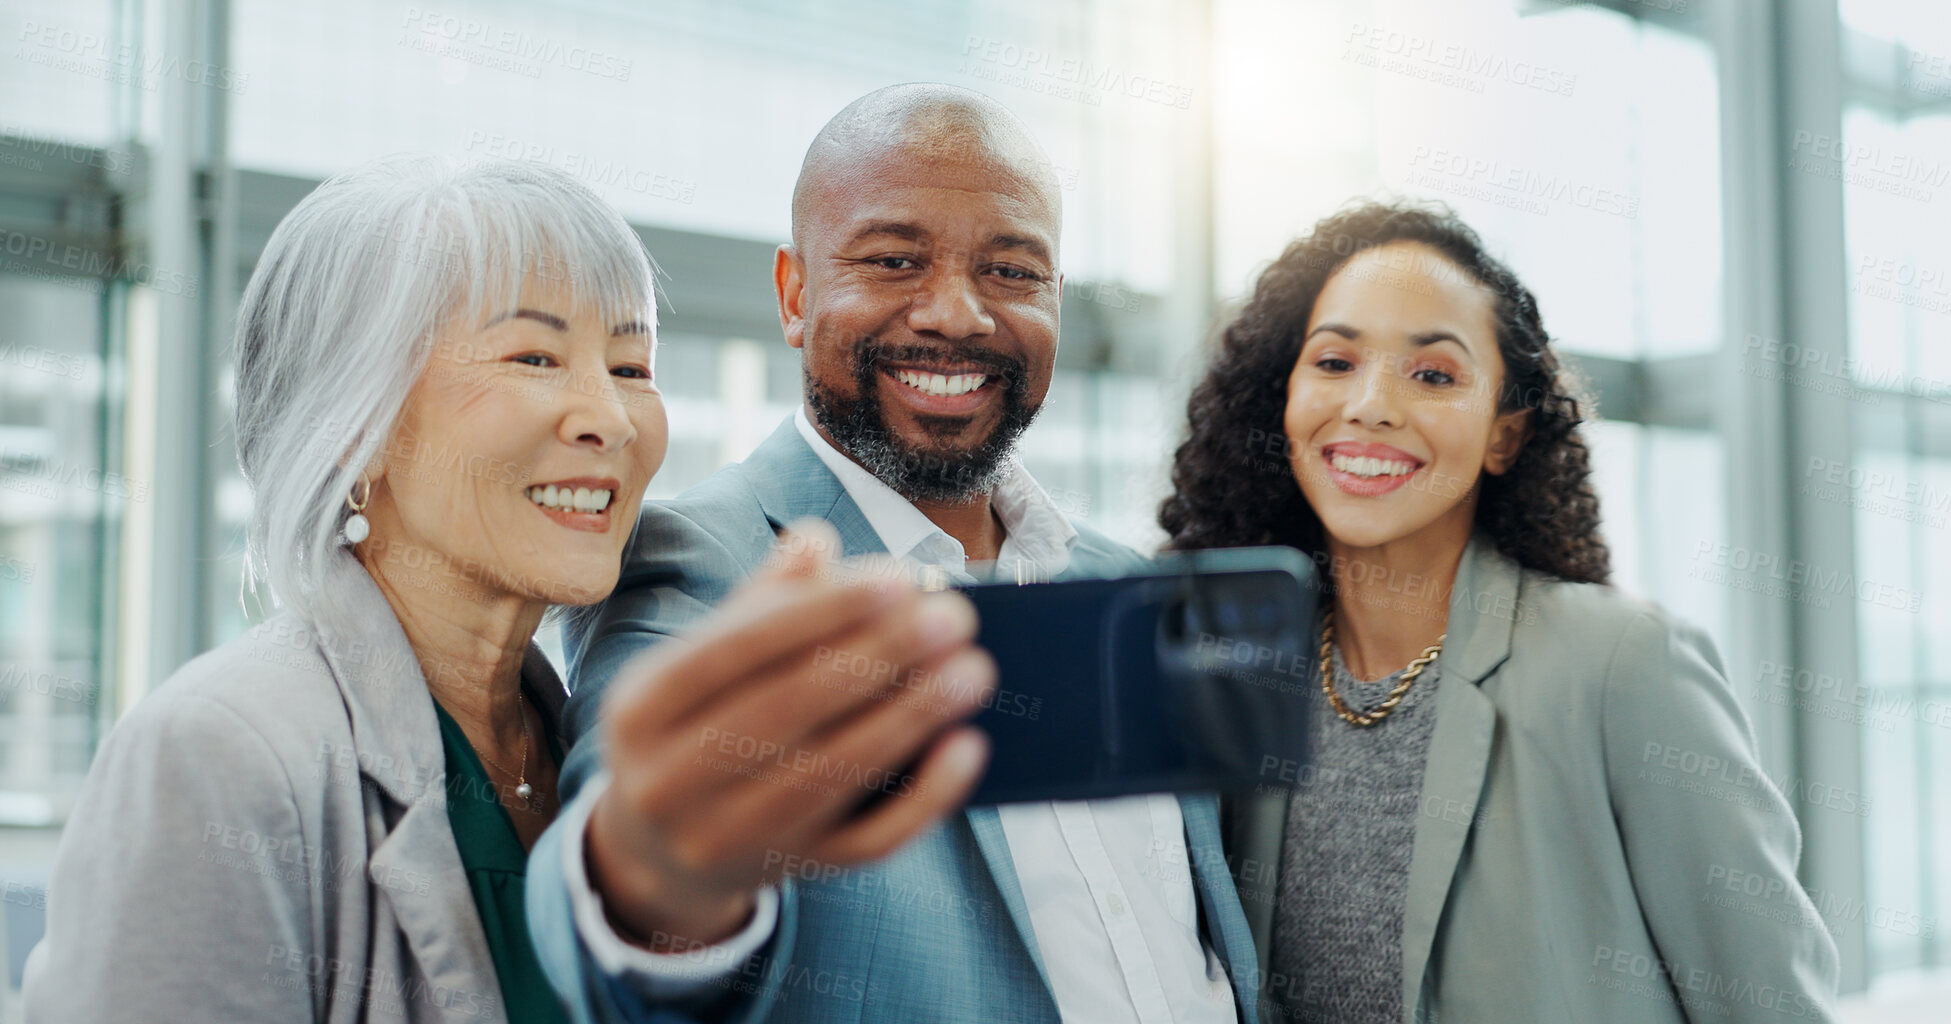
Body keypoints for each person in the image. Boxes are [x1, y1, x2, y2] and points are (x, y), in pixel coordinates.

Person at [22, 156, 985, 1023]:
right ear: (355, 428)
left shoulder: (576, 744)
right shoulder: (220, 752)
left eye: (629, 365)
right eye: (533, 357)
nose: (608, 417)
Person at [527, 83, 1263, 1022]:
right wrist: (652, 878)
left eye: (1011, 272)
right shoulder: (698, 568)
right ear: (796, 295)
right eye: (892, 260)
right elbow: (622, 890)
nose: (956, 313)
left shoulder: (1122, 584)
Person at [1159, 200, 1841, 1023]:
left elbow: (1769, 1003)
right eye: (1334, 361)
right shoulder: (1244, 676)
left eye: (1433, 374)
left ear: (1503, 436)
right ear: (1283, 398)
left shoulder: (1621, 663)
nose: (1370, 404)